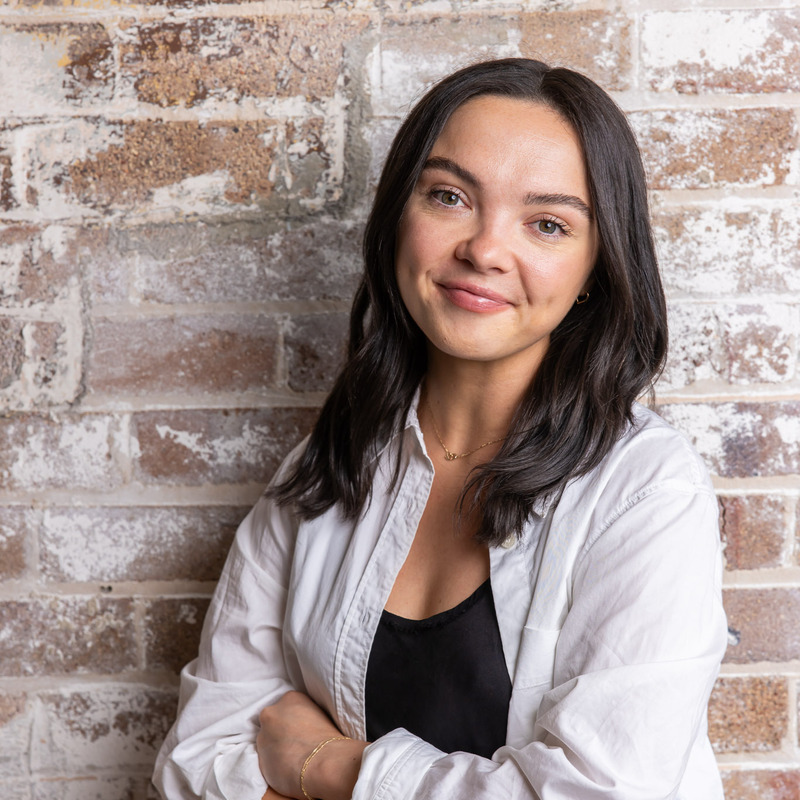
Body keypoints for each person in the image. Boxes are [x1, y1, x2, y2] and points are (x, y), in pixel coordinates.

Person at [153, 58, 727, 800]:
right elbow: (195, 759)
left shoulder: (646, 491)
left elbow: (607, 791)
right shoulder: (331, 462)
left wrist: (325, 768)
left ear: (595, 266)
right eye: (450, 197)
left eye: (547, 223)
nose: (485, 250)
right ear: (401, 213)